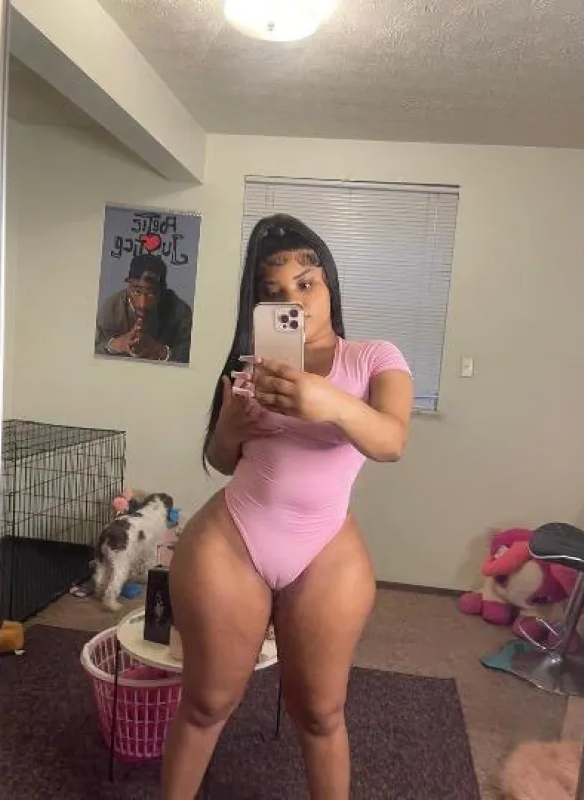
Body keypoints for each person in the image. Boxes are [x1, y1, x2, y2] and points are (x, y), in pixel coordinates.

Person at [161, 214, 413, 799]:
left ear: (329, 286)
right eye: (273, 293)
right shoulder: (255, 366)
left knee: (320, 714)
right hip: (231, 541)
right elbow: (224, 461)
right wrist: (229, 428)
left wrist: (328, 401)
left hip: (326, 548)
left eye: (306, 283)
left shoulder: (375, 358)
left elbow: (391, 441)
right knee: (206, 703)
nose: (294, 301)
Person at [95, 253, 193, 363]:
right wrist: (115, 344)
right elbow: (91, 347)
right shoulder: (112, 308)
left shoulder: (180, 312)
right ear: (129, 287)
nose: (142, 304)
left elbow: (192, 355)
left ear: (162, 292)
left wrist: (160, 351)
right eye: (137, 292)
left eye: (151, 294)